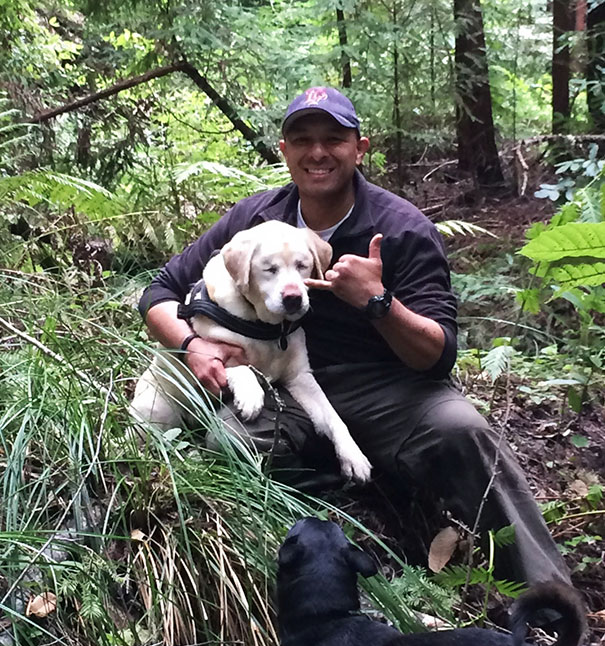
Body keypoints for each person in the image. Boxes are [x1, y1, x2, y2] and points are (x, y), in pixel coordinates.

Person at [138, 86, 570, 586]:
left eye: (334, 139)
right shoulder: (253, 223)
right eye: (302, 139)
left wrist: (378, 302)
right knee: (228, 444)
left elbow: (438, 356)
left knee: (463, 432)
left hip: (386, 385)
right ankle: (288, 566)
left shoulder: (400, 228)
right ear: (285, 151)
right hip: (286, 386)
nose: (317, 152)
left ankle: (551, 602)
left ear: (359, 148)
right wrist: (192, 345)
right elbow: (161, 291)